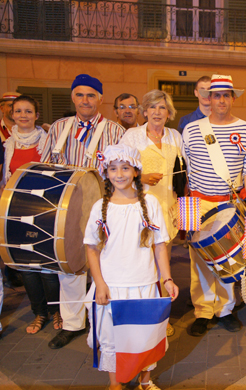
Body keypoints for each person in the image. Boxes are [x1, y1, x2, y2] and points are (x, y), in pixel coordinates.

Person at [40, 74, 126, 349]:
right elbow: (46, 166)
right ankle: (73, 323)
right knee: (71, 264)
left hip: (104, 204)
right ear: (73, 98)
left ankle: (106, 318)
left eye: (91, 95)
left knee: (108, 263)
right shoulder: (59, 127)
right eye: (80, 94)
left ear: (100, 99)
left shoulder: (115, 131)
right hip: (67, 208)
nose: (85, 100)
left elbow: (124, 171)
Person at [84, 144, 178, 390]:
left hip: (143, 283)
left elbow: (159, 245)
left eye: (125, 168)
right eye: (113, 168)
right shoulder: (99, 207)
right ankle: (115, 383)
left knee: (143, 337)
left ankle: (145, 382)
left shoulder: (151, 203)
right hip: (111, 286)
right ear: (106, 172)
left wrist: (167, 279)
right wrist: (100, 284)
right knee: (112, 337)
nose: (119, 174)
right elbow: (91, 249)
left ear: (135, 171)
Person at [182, 74, 246, 337]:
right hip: (199, 203)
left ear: (233, 98)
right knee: (200, 261)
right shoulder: (191, 130)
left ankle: (225, 309)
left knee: (230, 258)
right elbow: (186, 170)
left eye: (227, 94)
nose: (222, 100)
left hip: (230, 204)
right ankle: (203, 310)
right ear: (208, 98)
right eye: (217, 95)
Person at [120, 89, 183, 337]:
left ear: (169, 113)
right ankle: (139, 317)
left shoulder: (176, 136)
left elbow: (184, 171)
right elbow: (119, 170)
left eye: (162, 108)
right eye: (152, 108)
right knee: (139, 266)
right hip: (138, 211)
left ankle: (161, 318)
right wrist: (141, 176)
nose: (157, 112)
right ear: (144, 112)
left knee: (162, 268)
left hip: (167, 212)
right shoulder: (132, 136)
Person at [0, 95, 61, 334]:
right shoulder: (6, 145)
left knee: (47, 265)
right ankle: (39, 313)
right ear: (11, 115)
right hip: (15, 210)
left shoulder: (48, 141)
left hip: (43, 209)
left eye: (28, 111)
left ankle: (57, 311)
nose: (23, 115)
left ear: (37, 115)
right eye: (18, 111)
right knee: (25, 266)